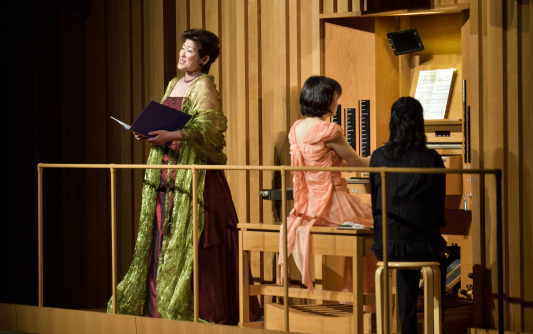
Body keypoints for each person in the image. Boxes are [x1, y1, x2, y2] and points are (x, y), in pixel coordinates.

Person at [107, 28, 261, 324]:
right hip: (166, 166)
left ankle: (197, 306)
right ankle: (156, 302)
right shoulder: (175, 82)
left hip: (191, 173)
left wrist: (171, 134)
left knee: (193, 234)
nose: (182, 53)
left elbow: (209, 129)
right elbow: (165, 120)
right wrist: (147, 133)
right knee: (162, 229)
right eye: (183, 48)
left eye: (189, 50)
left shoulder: (204, 86)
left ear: (203, 59)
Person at [279, 75, 374, 292]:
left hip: (306, 206)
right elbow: (356, 162)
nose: (337, 102)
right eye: (335, 97)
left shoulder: (296, 129)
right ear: (325, 99)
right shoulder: (329, 131)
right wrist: (387, 159)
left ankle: (353, 297)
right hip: (332, 204)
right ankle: (364, 300)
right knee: (374, 225)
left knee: (366, 224)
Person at [369, 96, 447, 334]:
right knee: (438, 254)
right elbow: (437, 208)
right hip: (420, 243)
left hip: (386, 244)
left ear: (393, 123)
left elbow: (376, 204)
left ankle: (408, 328)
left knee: (405, 259)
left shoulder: (378, 157)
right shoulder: (431, 158)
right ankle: (436, 325)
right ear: (419, 123)